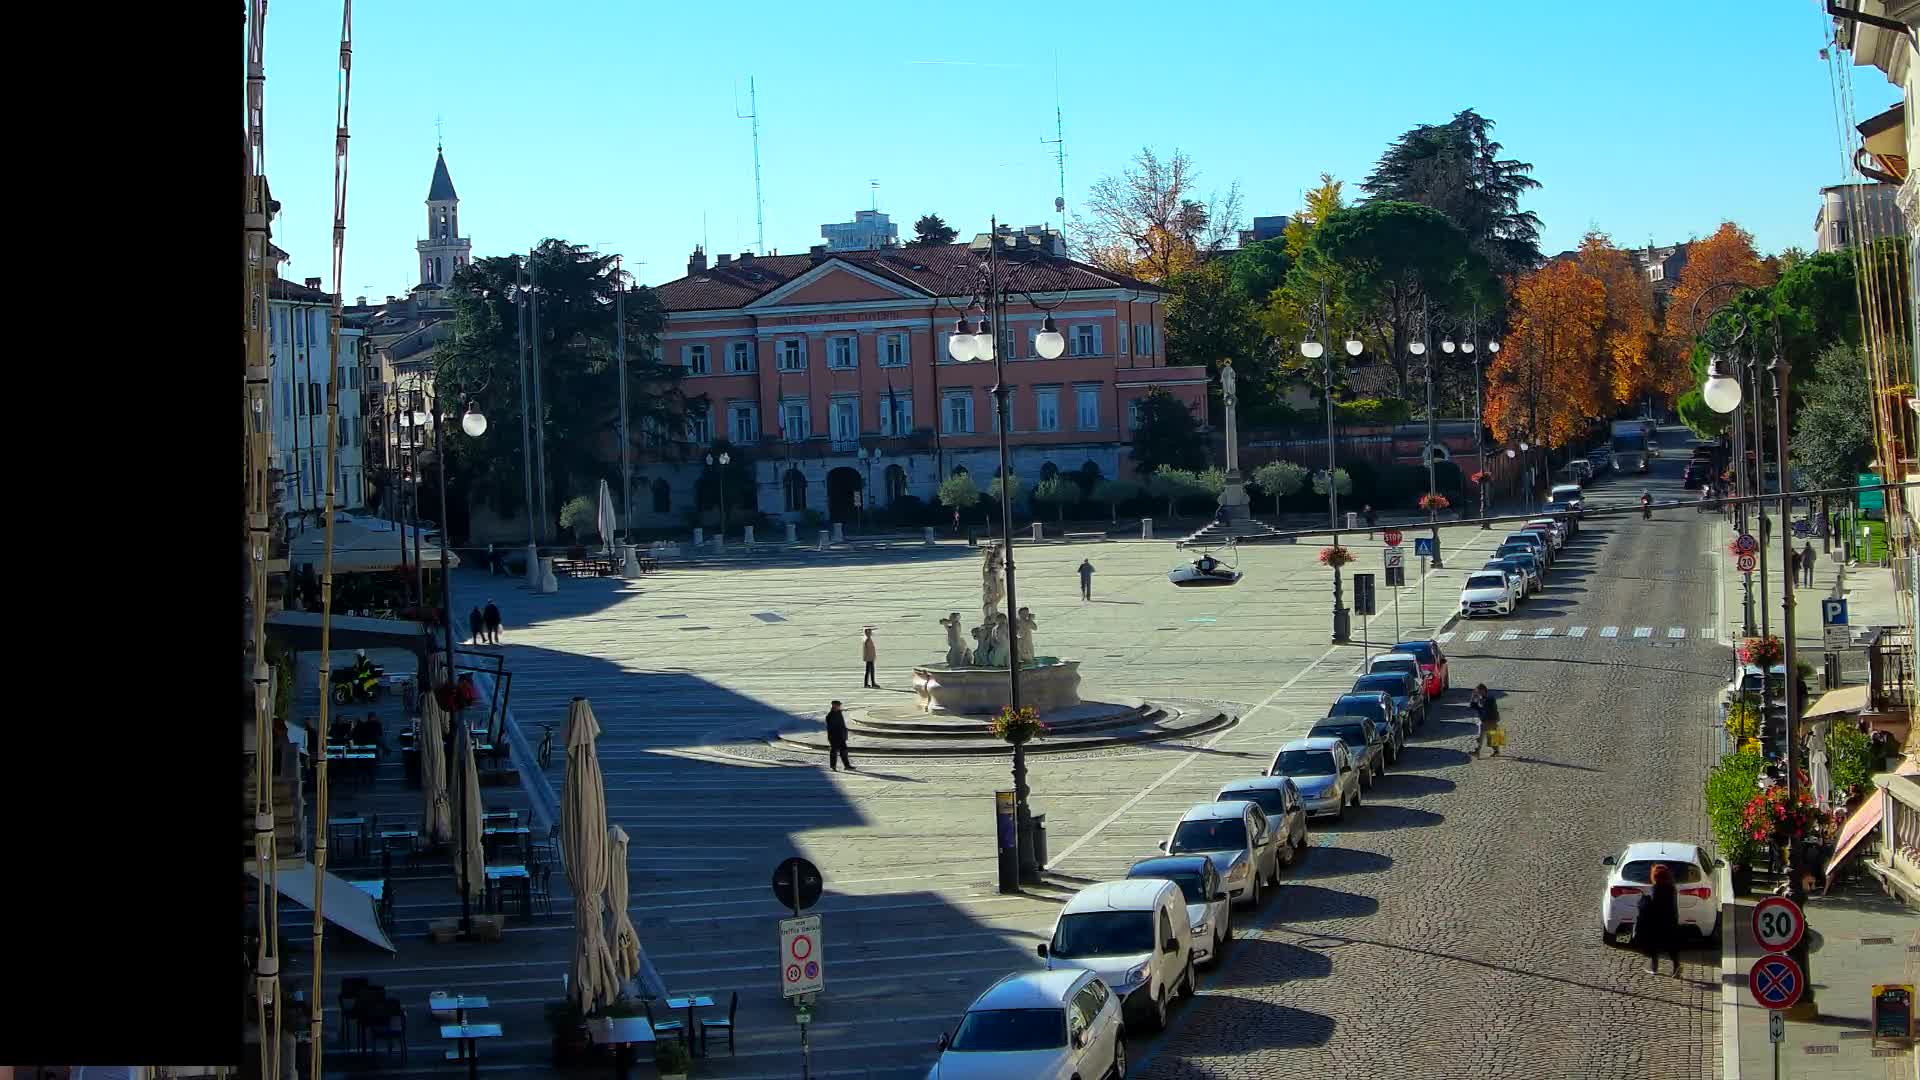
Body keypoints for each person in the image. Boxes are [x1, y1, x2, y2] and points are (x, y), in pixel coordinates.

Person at [1635, 864, 1683, 975]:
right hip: (1670, 920)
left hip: (1656, 921)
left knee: (1653, 943)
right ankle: (1676, 966)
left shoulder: (1656, 888)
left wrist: (1645, 900)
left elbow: (1655, 905)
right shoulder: (1671, 888)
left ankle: (1654, 967)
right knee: (1671, 945)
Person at [1468, 684, 1501, 757]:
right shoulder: (1482, 698)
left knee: (1482, 735)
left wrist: (1478, 701)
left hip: (1490, 719)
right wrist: (1473, 698)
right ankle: (1496, 751)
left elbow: (1484, 708)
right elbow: (1472, 706)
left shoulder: (1490, 698)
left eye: (1479, 691)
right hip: (1488, 720)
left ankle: (1477, 751)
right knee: (1492, 735)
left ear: (1483, 690)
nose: (1478, 693)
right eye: (1477, 691)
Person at [824, 700, 852, 772]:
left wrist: (844, 733)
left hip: (841, 736)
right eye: (838, 705)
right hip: (834, 737)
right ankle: (833, 766)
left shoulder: (839, 713)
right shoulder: (830, 716)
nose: (840, 706)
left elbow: (842, 725)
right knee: (834, 752)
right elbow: (831, 727)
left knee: (844, 750)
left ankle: (847, 766)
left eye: (839, 705)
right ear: (834, 706)